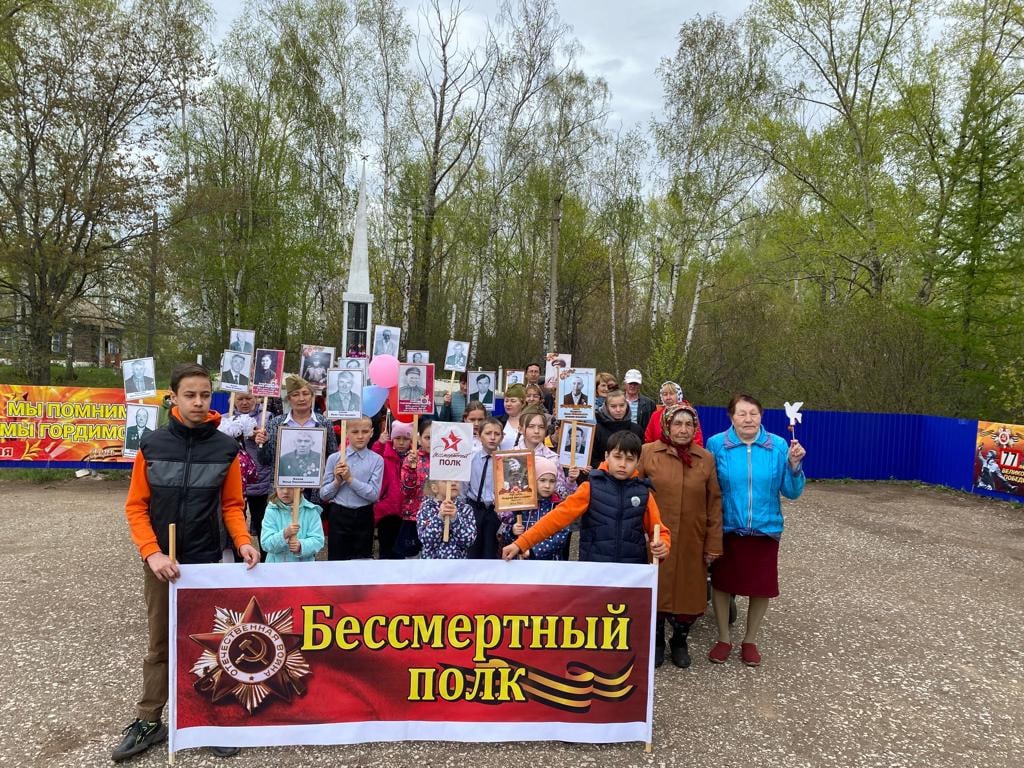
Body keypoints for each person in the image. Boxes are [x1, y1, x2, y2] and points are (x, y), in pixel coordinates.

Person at [115, 363, 258, 762]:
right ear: (173, 398)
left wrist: (243, 541)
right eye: (190, 394)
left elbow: (232, 506)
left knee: (205, 641)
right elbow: (136, 507)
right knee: (160, 643)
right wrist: (152, 552)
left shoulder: (225, 449)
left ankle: (206, 718)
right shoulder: (152, 445)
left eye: (205, 395)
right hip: (161, 562)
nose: (198, 402)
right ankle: (149, 719)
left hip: (205, 562)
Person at [705, 394, 806, 667]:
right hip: (728, 528)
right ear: (731, 417)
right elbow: (709, 487)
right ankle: (724, 638)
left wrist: (794, 467)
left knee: (761, 587)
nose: (748, 419)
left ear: (761, 416)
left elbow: (791, 492)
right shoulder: (716, 444)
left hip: (765, 528)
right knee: (722, 584)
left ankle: (750, 640)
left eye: (753, 413)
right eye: (742, 413)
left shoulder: (779, 445)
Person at [501, 430, 670, 563]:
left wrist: (663, 545)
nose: (623, 464)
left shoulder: (643, 492)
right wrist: (521, 543)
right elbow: (556, 518)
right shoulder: (590, 487)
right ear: (607, 456)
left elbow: (659, 530)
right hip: (594, 570)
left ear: (638, 461)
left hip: (631, 572)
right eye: (617, 457)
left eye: (630, 459)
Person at [638, 404, 722, 668]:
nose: (683, 429)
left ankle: (679, 640)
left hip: (692, 539)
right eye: (677, 424)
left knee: (689, 594)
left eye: (689, 424)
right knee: (656, 590)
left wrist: (714, 543)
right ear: (666, 425)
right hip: (656, 538)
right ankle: (657, 640)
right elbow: (633, 490)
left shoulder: (705, 458)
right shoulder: (648, 453)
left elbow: (714, 502)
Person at [319, 416, 384, 559]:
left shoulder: (377, 460)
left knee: (361, 561)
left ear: (372, 433)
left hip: (364, 515)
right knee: (337, 559)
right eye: (355, 432)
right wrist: (337, 482)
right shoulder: (335, 458)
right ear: (346, 432)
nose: (360, 436)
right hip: (339, 514)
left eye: (365, 431)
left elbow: (374, 495)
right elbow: (323, 494)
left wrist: (349, 479)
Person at [254, 376, 338, 483]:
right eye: (295, 395)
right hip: (282, 489)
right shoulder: (275, 423)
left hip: (315, 488)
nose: (301, 399)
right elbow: (264, 461)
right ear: (289, 399)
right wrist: (263, 444)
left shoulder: (324, 423)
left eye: (305, 394)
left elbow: (332, 456)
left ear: (312, 396)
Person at [219, 392, 271, 560]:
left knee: (261, 520)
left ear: (256, 399)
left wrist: (264, 440)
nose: (244, 402)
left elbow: (272, 450)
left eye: (249, 398)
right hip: (234, 478)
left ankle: (266, 558)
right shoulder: (224, 418)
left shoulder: (266, 417)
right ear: (233, 400)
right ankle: (238, 558)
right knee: (236, 519)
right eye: (240, 399)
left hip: (259, 478)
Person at [498, 456, 568, 560]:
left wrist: (533, 551)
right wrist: (512, 531)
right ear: (532, 480)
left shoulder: (557, 506)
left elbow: (561, 537)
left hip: (549, 563)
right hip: (521, 562)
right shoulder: (521, 504)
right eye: (542, 480)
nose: (547, 485)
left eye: (552, 481)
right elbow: (505, 532)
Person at [463, 417, 503, 558]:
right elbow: (464, 487)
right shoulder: (471, 459)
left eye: (497, 434)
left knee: (491, 551)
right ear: (479, 436)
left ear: (502, 437)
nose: (492, 438)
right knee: (472, 550)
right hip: (474, 508)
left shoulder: (506, 460)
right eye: (488, 433)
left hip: (495, 511)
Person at [373, 419, 410, 558]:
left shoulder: (413, 457)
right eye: (397, 438)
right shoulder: (384, 453)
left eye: (405, 439)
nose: (401, 442)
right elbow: (373, 458)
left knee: (402, 550)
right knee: (386, 548)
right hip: (387, 510)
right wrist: (379, 443)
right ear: (392, 438)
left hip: (407, 510)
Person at [259, 486, 325, 563]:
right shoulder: (272, 511)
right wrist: (284, 534)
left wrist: (301, 546)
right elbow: (266, 543)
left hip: (303, 567)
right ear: (276, 488)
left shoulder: (311, 511)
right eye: (281, 487)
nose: (285, 491)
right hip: (276, 566)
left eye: (290, 487)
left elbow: (318, 540)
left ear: (301, 488)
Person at [397, 418, 432, 557]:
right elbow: (406, 491)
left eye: (436, 438)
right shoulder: (411, 458)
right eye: (427, 438)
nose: (431, 442)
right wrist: (411, 469)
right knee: (412, 559)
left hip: (437, 518)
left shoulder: (444, 460)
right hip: (413, 518)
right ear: (419, 439)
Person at [417, 479, 477, 559]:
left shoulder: (465, 509)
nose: (453, 483)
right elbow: (426, 540)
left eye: (456, 481)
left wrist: (455, 520)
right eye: (445, 481)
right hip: (432, 563)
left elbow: (468, 541)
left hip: (457, 563)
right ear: (434, 488)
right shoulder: (426, 508)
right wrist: (439, 518)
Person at [645, 381, 704, 446]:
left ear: (678, 395)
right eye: (665, 394)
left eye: (671, 394)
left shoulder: (689, 413)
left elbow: (697, 440)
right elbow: (649, 439)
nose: (668, 397)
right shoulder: (656, 415)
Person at [594, 389, 644, 461]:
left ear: (627, 405)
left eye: (622, 405)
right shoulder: (597, 430)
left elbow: (640, 458)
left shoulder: (637, 430)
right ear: (606, 407)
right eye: (613, 406)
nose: (618, 410)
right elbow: (592, 459)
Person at [499, 384, 526, 449]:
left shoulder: (529, 421)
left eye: (513, 401)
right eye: (506, 401)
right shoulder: (497, 421)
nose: (508, 404)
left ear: (523, 403)